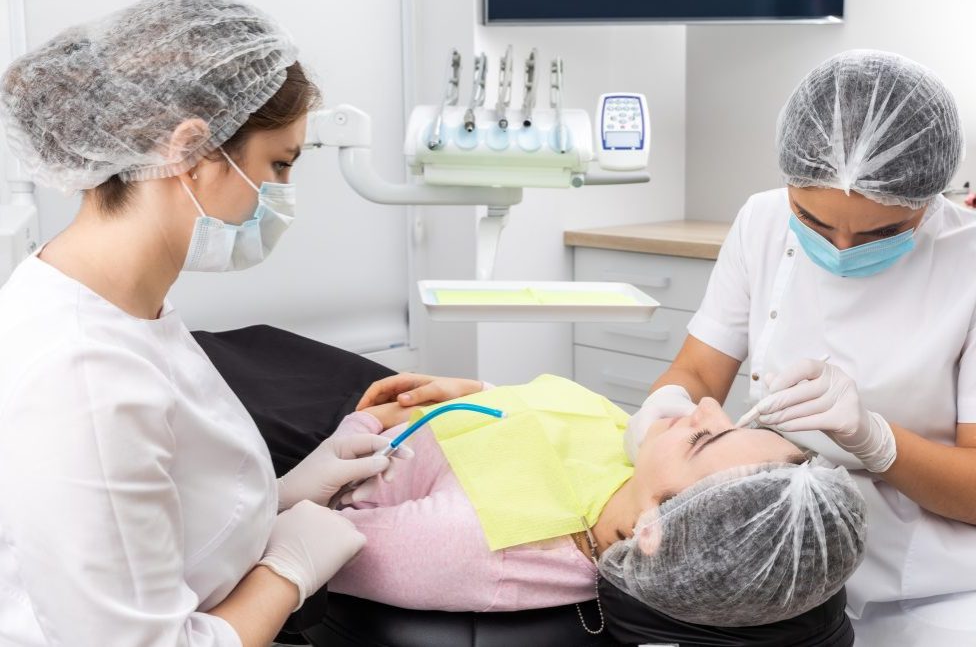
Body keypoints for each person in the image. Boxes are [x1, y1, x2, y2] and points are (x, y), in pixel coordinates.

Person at [362, 50, 976, 644]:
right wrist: (663, 416)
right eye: (812, 221)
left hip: (927, 591)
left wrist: (877, 441)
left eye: (883, 231)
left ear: (933, 194)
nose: (842, 249)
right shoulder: (762, 221)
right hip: (743, 575)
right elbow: (698, 373)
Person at [0, 0, 401, 647]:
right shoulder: (79, 376)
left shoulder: (121, 303)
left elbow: (160, 506)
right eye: (279, 164)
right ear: (192, 149)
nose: (283, 196)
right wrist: (286, 567)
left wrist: (285, 493)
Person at [333, 376, 865, 630]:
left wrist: (364, 426)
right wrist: (477, 397)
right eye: (732, 421)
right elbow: (543, 435)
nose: (706, 405)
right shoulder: (633, 473)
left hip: (339, 437)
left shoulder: (480, 544)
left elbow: (307, 538)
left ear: (655, 527)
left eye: (704, 438)